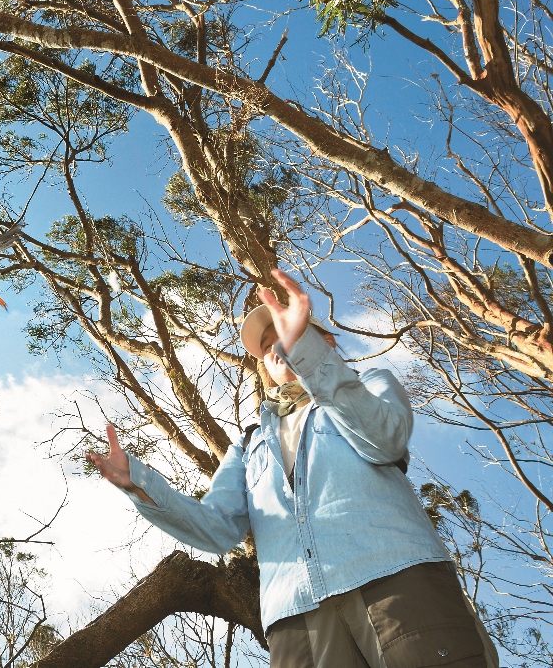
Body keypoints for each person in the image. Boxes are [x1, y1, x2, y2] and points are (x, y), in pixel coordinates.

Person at [88, 269, 499, 668]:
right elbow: (215, 530)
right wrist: (138, 484)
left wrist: (309, 356)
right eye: (266, 345)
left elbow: (384, 439)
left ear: (326, 341)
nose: (274, 348)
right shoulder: (248, 444)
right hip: (295, 619)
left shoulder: (369, 382)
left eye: (285, 334)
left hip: (394, 577)